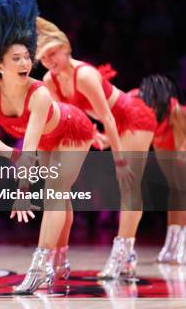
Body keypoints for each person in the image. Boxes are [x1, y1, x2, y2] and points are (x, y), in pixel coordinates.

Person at [0, 0, 94, 294]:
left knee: (55, 193)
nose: (26, 62)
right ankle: (60, 261)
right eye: (17, 58)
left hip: (73, 129)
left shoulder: (38, 93)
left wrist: (23, 189)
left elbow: (30, 146)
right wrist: (16, 158)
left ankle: (40, 267)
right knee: (59, 196)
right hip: (40, 142)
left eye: (27, 56)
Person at [35, 17, 156, 279]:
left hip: (133, 119)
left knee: (129, 185)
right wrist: (90, 137)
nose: (50, 61)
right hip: (107, 126)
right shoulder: (49, 80)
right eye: (44, 58)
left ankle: (122, 255)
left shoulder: (86, 75)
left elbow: (108, 117)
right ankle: (65, 257)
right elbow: (67, 117)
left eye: (53, 54)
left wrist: (120, 160)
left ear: (66, 48)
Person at [136, 75, 186, 264]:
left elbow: (182, 145)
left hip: (179, 146)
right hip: (163, 145)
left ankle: (181, 245)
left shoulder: (174, 111)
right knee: (173, 194)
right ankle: (171, 245)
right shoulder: (138, 101)